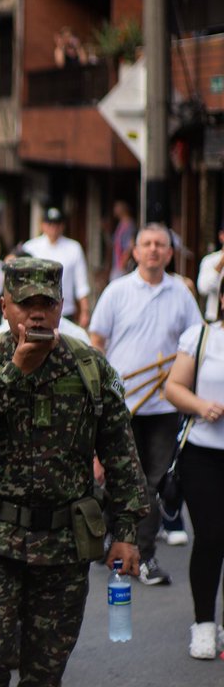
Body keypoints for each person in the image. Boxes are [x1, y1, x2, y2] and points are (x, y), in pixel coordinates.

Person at [0, 257, 149, 687]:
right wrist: (17, 371)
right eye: (25, 303)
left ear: (61, 307)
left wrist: (126, 532)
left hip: (62, 546)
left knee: (45, 672)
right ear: (4, 306)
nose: (36, 313)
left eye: (46, 303)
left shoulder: (90, 367)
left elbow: (121, 455)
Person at [89, 223, 203, 586]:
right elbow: (97, 343)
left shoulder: (181, 295)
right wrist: (97, 392)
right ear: (135, 251)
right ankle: (110, 539)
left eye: (161, 245)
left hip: (164, 407)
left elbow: (196, 342)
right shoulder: (116, 291)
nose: (153, 250)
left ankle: (145, 556)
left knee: (151, 484)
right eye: (147, 244)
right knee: (118, 479)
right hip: (121, 404)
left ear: (170, 253)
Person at [164, 282, 224, 659]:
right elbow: (172, 387)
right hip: (204, 454)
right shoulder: (201, 337)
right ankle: (204, 625)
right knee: (211, 537)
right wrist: (201, 406)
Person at [22, 207, 91, 327]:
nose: (53, 228)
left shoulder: (74, 248)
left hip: (65, 311)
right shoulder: (31, 247)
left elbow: (81, 284)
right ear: (43, 225)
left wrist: (85, 311)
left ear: (62, 226)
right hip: (37, 310)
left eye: (57, 224)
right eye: (50, 224)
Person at [196, 224, 224, 321]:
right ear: (221, 236)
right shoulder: (209, 260)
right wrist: (220, 264)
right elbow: (203, 288)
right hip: (214, 319)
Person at [110, 201, 136, 282]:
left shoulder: (129, 225)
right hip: (117, 264)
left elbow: (130, 246)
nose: (114, 209)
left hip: (122, 267)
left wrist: (122, 264)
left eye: (116, 206)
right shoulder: (120, 224)